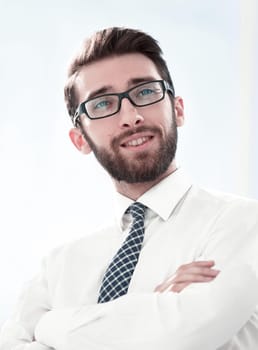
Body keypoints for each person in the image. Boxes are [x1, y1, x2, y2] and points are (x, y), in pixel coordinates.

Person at [1, 27, 258, 350]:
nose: (131, 116)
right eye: (103, 103)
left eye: (146, 93)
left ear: (177, 109)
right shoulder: (58, 266)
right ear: (80, 139)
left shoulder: (245, 225)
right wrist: (152, 310)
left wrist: (49, 325)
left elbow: (181, 336)